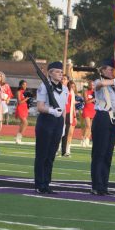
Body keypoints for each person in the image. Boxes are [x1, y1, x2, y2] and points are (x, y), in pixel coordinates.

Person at [90, 59, 115, 196]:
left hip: (112, 120)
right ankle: (96, 185)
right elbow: (99, 85)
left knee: (108, 155)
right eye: (109, 69)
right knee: (99, 153)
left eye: (112, 70)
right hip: (102, 118)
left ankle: (104, 185)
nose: (111, 72)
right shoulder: (99, 82)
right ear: (102, 70)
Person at [34, 61, 68, 194]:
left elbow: (64, 108)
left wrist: (64, 124)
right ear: (50, 73)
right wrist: (52, 111)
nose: (60, 74)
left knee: (51, 155)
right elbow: (40, 107)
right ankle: (39, 184)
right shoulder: (44, 86)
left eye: (61, 72)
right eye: (58, 72)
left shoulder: (64, 88)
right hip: (46, 121)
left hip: (58, 122)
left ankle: (46, 183)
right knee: (42, 154)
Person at [61, 81, 79, 157]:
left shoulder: (72, 93)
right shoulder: (65, 91)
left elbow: (73, 106)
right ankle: (56, 149)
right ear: (68, 86)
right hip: (63, 113)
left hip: (69, 114)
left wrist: (75, 117)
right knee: (60, 132)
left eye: (74, 86)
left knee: (66, 133)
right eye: (71, 86)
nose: (73, 88)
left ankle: (64, 151)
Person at [0, 72, 12, 142]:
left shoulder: (6, 85)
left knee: (0, 120)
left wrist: (8, 99)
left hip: (2, 103)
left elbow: (9, 95)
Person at [15, 80, 30, 144]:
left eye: (26, 84)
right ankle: (19, 137)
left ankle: (18, 138)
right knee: (25, 123)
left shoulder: (25, 92)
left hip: (25, 108)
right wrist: (26, 98)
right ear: (20, 85)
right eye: (23, 84)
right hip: (20, 108)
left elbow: (27, 101)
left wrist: (29, 100)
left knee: (22, 124)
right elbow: (19, 102)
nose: (25, 86)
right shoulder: (18, 92)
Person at [81, 81, 96, 147]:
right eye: (91, 85)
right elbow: (86, 101)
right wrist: (93, 99)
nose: (92, 86)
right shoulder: (86, 92)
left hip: (93, 110)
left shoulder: (95, 92)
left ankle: (87, 140)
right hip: (87, 110)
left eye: (93, 85)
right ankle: (83, 139)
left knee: (91, 127)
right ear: (89, 85)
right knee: (88, 126)